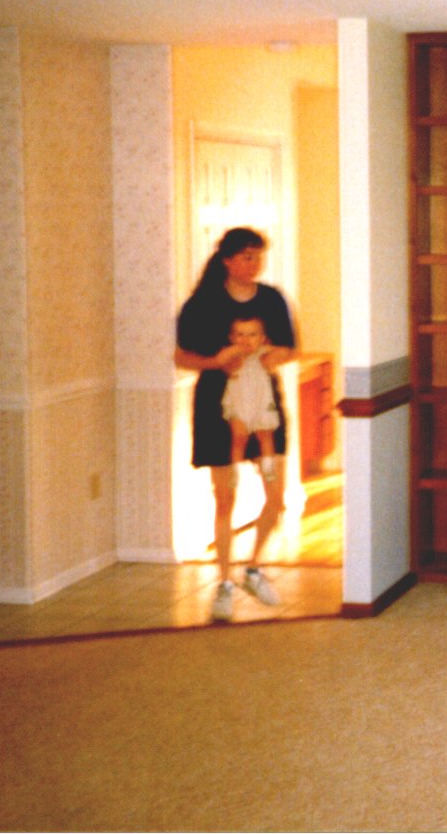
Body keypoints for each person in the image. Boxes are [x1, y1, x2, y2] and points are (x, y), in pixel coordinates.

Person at [175, 227, 297, 622]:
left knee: (275, 495)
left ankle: (254, 567)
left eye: (258, 256)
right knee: (224, 496)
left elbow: (289, 347)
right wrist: (217, 360)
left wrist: (276, 355)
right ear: (227, 260)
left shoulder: (273, 299)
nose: (254, 263)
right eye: (246, 256)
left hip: (263, 401)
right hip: (217, 403)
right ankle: (224, 582)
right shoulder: (202, 303)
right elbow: (181, 356)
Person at [222, 315, 281, 483]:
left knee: (265, 435)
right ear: (232, 338)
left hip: (261, 402)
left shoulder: (264, 355)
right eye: (240, 335)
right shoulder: (231, 356)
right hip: (238, 402)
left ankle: (268, 467)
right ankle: (236, 471)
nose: (246, 340)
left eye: (252, 335)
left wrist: (270, 354)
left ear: (262, 338)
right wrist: (235, 354)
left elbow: (282, 354)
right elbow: (227, 367)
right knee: (239, 437)